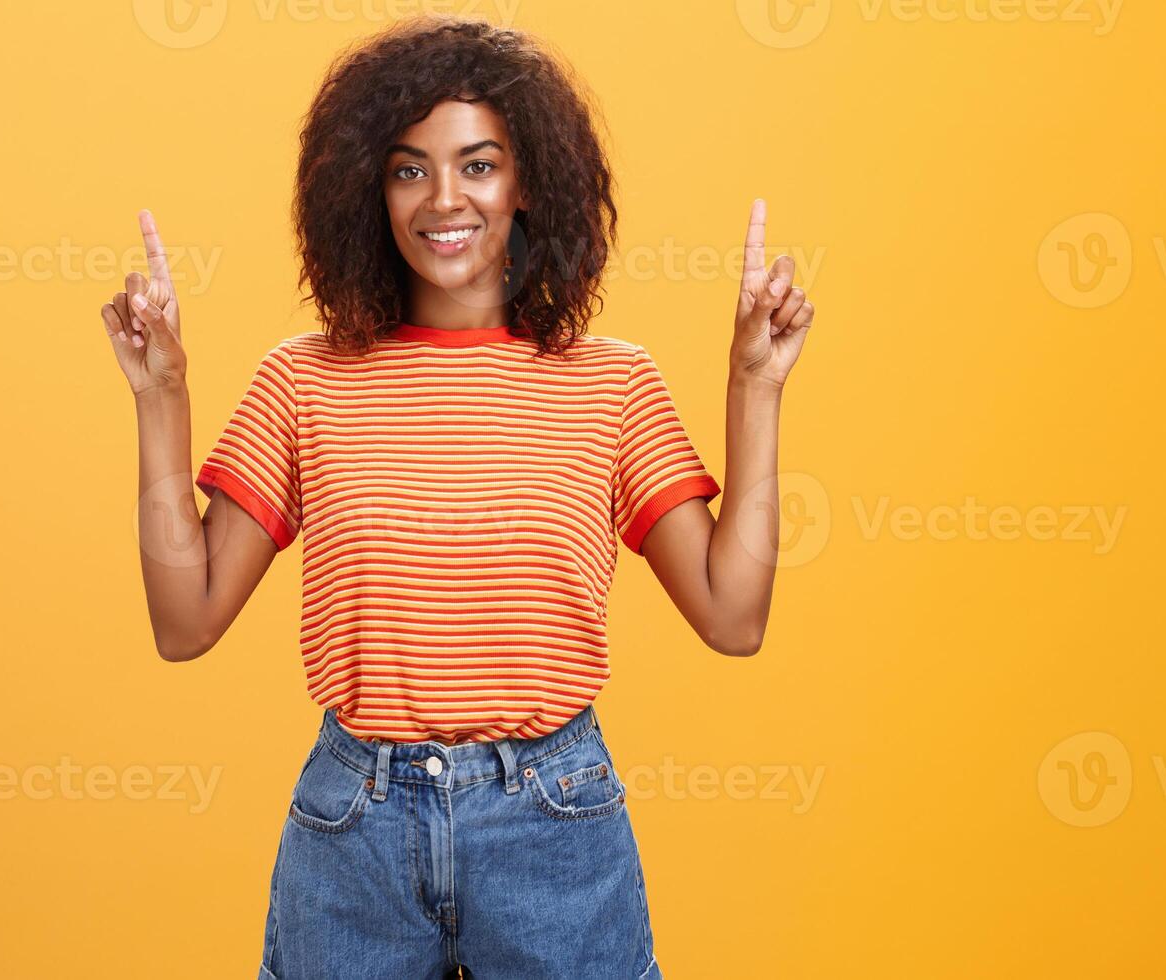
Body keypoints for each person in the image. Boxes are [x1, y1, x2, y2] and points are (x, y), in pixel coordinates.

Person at [97, 16, 816, 978]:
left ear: (528, 185)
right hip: (356, 824)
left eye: (479, 166)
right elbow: (183, 623)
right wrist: (161, 398)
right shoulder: (304, 382)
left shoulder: (610, 385)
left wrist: (755, 385)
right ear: (368, 191)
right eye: (409, 169)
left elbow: (735, 617)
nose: (445, 199)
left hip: (552, 819)